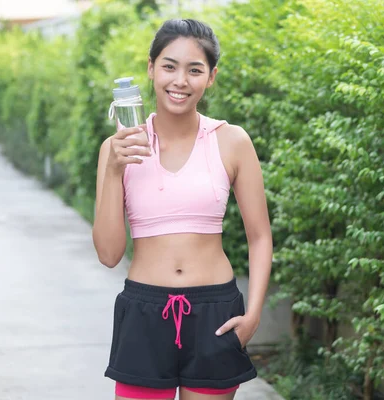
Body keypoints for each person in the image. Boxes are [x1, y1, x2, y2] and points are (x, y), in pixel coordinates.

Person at [92, 19, 272, 400]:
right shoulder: (118, 148)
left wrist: (253, 315)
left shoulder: (231, 141)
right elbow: (109, 255)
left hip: (215, 313)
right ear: (151, 68)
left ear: (211, 77)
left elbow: (260, 236)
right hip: (143, 312)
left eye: (195, 70)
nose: (180, 80)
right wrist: (113, 171)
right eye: (169, 66)